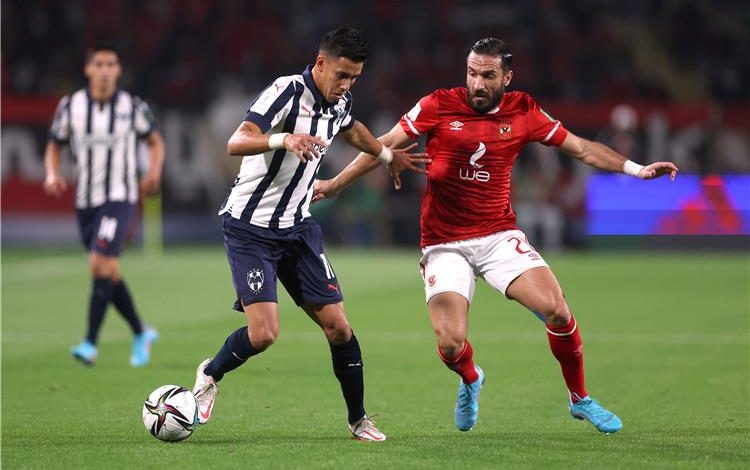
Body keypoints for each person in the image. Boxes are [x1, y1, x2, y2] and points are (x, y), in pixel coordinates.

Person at [313, 37, 679, 434]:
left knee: (557, 309)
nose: (477, 83)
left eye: (488, 75)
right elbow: (382, 145)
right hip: (444, 243)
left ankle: (579, 398)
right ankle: (471, 377)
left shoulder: (524, 110)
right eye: (472, 73)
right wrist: (334, 185)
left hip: (498, 235)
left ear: (507, 77)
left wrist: (637, 170)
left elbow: (581, 149)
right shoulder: (438, 104)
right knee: (450, 344)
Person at [191, 27, 426, 441]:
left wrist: (386, 154)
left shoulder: (340, 101)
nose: (347, 85)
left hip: (297, 228)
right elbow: (236, 140)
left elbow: (351, 128)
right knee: (264, 334)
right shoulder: (286, 91)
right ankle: (210, 373)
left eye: (354, 78)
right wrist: (285, 138)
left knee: (339, 327)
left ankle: (359, 420)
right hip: (250, 228)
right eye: (342, 75)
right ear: (320, 63)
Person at [44, 45, 165, 367]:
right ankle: (140, 331)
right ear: (88, 70)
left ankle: (89, 343)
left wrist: (153, 173)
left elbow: (155, 141)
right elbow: (54, 145)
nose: (105, 70)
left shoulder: (132, 107)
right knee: (108, 270)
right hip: (85, 202)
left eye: (111, 64)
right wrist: (52, 173)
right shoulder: (70, 106)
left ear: (119, 70)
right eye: (99, 64)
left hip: (120, 198)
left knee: (99, 263)